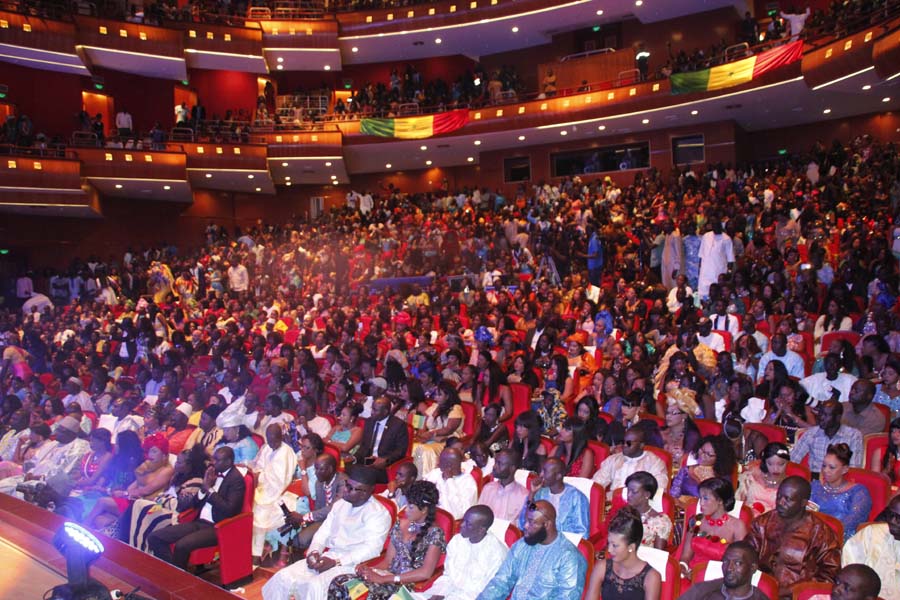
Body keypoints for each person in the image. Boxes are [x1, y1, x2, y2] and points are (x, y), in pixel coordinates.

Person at [261, 465, 392, 600]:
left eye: (351, 488)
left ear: (366, 492)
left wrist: (337, 562)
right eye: (347, 485)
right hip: (329, 556)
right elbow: (322, 533)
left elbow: (372, 549)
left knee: (315, 586)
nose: (345, 490)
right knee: (283, 576)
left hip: (353, 565)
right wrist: (314, 552)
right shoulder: (340, 505)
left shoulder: (378, 514)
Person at [327, 480, 446, 599]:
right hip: (386, 576)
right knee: (339, 583)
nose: (405, 510)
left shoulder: (435, 533)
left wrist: (384, 579)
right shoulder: (401, 524)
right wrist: (370, 570)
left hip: (404, 584)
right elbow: (387, 561)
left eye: (410, 507)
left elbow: (425, 573)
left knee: (364, 594)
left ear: (424, 509)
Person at [147, 446, 246, 569]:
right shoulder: (212, 472)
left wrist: (209, 490)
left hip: (218, 526)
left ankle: (175, 577)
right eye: (213, 459)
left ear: (228, 462)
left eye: (217, 460)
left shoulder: (236, 480)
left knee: (181, 545)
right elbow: (194, 503)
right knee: (155, 537)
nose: (213, 462)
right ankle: (172, 572)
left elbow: (229, 509)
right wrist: (203, 489)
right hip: (199, 522)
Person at [747, 476, 841, 598]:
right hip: (759, 592)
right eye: (779, 496)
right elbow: (746, 555)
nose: (780, 502)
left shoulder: (821, 533)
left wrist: (792, 591)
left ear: (803, 503)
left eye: (788, 499)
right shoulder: (762, 523)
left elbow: (830, 575)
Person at [477, 500, 587, 600]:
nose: (525, 526)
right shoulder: (522, 545)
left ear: (547, 524)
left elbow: (566, 597)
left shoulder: (570, 557)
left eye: (531, 522)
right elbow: (501, 582)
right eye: (526, 520)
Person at [419, 504, 508, 600]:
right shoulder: (457, 540)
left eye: (468, 523)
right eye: (463, 520)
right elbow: (448, 576)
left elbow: (487, 592)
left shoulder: (496, 555)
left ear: (481, 530)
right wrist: (437, 595)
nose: (461, 525)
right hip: (448, 593)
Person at [585, 505, 661, 600]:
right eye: (609, 543)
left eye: (615, 545)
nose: (609, 550)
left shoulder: (651, 577)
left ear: (631, 547)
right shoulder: (602, 567)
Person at [679, 477, 748, 576]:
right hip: (691, 575)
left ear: (720, 501)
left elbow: (740, 563)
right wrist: (683, 568)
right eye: (700, 498)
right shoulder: (695, 520)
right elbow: (685, 556)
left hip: (720, 580)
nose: (701, 503)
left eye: (706, 498)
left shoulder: (737, 527)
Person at [250, 423, 297, 563]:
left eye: (274, 441)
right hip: (262, 488)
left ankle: (257, 554)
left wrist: (262, 476)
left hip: (279, 492)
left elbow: (281, 480)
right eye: (269, 441)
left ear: (280, 437)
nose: (271, 444)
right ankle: (249, 550)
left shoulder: (286, 452)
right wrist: (259, 474)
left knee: (260, 514)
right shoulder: (267, 448)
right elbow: (258, 466)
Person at [285, 452, 346, 554]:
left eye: (320, 469)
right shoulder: (319, 483)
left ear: (330, 469)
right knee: (296, 539)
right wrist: (303, 522)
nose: (316, 473)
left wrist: (304, 517)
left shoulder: (343, 482)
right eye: (315, 469)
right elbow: (318, 508)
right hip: (324, 520)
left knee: (302, 540)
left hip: (339, 522)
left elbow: (334, 508)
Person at [841, 494, 900, 600]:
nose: (892, 521)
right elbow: (848, 579)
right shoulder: (871, 534)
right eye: (890, 514)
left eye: (899, 518)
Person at [809, 443, 872, 542]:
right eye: (824, 466)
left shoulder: (858, 493)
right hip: (812, 537)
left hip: (841, 541)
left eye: (832, 467)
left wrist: (823, 536)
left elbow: (850, 525)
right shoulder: (815, 487)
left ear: (845, 469)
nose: (825, 470)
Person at [519, 457, 589, 539]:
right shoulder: (540, 493)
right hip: (538, 540)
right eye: (541, 470)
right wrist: (532, 494)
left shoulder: (576, 497)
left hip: (564, 545)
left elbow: (582, 533)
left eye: (545, 471)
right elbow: (523, 522)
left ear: (558, 476)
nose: (541, 475)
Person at [677, 541, 770, 600]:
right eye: (725, 561)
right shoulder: (702, 591)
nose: (729, 568)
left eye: (738, 563)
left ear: (753, 568)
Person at [791, 400, 863, 475]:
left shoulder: (853, 436)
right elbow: (792, 460)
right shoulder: (811, 434)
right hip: (814, 480)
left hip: (839, 480)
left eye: (826, 415)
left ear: (838, 418)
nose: (821, 418)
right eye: (820, 413)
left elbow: (854, 469)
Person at [594, 427, 669, 499]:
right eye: (623, 442)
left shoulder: (654, 463)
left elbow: (659, 491)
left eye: (629, 443)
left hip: (640, 506)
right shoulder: (613, 460)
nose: (624, 445)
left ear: (641, 445)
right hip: (613, 503)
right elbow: (596, 484)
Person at [412, 381, 465, 474]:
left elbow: (449, 429)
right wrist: (421, 433)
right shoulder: (435, 406)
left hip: (447, 440)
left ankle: (427, 476)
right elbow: (423, 421)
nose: (436, 397)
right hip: (431, 437)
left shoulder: (456, 408)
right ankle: (416, 474)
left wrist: (431, 434)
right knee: (415, 446)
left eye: (439, 395)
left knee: (426, 451)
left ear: (447, 396)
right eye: (436, 395)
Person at [356, 396, 410, 484]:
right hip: (366, 462)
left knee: (363, 474)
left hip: (384, 467)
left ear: (385, 412)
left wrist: (386, 460)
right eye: (372, 409)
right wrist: (354, 458)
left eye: (375, 410)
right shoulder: (369, 422)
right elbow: (364, 446)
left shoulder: (399, 426)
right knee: (347, 468)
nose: (372, 412)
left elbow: (400, 451)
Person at [671, 435, 737, 501]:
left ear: (719, 458)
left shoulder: (722, 478)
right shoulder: (685, 470)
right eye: (702, 450)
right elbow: (673, 494)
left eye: (708, 454)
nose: (702, 455)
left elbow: (724, 501)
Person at [736, 442, 791, 516]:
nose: (775, 469)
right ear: (765, 462)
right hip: (745, 518)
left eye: (781, 464)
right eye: (770, 464)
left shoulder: (790, 486)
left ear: (787, 462)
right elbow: (738, 502)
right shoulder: (751, 476)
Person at [423, 447, 477, 520]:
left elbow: (457, 513)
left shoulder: (468, 483)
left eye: (440, 461)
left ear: (449, 466)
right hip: (428, 517)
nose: (438, 463)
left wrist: (449, 481)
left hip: (450, 523)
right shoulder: (436, 473)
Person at [479, 448, 529, 522]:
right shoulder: (488, 488)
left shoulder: (524, 496)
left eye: (500, 464)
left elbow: (522, 526)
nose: (494, 466)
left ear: (512, 468)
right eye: (495, 462)